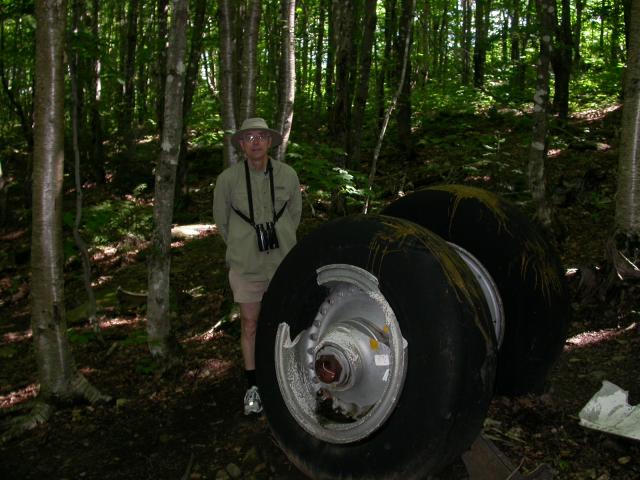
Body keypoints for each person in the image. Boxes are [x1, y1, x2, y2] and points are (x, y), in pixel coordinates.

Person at [213, 117, 302, 415]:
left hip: (282, 262)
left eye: (260, 136)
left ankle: (287, 379)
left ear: (269, 141)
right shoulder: (227, 180)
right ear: (240, 144)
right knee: (250, 324)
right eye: (248, 137)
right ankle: (253, 386)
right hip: (246, 264)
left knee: (285, 321)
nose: (255, 142)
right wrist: (242, 244)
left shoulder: (288, 175)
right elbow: (222, 222)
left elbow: (294, 215)